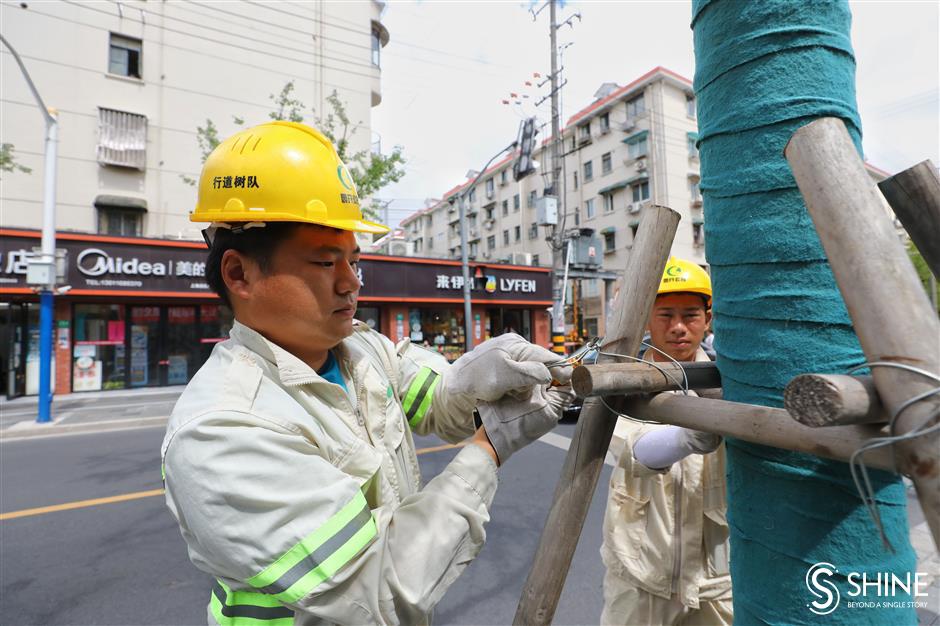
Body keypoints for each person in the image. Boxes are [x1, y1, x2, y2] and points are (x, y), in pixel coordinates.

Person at [161, 121, 575, 625]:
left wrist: (481, 371)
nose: (350, 282)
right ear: (239, 274)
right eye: (324, 261)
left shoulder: (361, 349)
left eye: (354, 261)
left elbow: (439, 400)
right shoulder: (223, 428)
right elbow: (376, 588)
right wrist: (488, 451)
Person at [600, 258, 732, 626]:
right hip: (640, 574)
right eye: (665, 315)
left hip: (716, 581)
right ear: (646, 319)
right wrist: (689, 434)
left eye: (690, 315)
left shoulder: (728, 382)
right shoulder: (619, 380)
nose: (678, 328)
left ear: (708, 319)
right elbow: (636, 449)